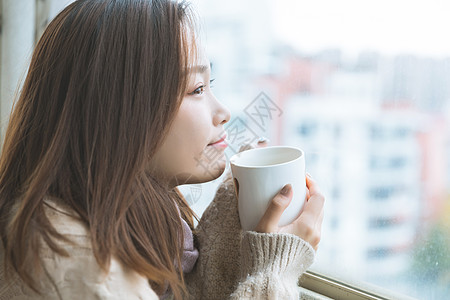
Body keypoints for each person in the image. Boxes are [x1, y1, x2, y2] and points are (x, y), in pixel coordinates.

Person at [0, 0, 325, 299]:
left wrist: (232, 221)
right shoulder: (86, 269)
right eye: (197, 88)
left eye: (210, 85)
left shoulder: (144, 227)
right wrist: (276, 268)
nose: (223, 111)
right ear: (122, 112)